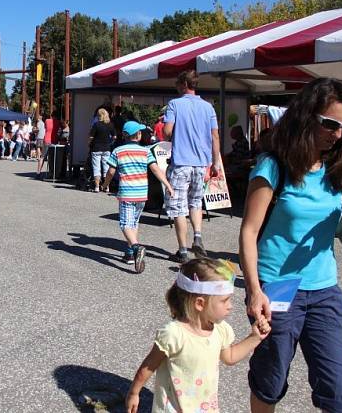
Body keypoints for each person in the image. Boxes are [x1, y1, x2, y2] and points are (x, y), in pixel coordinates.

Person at [239, 78, 342, 412]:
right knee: (270, 381)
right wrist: (255, 291)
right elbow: (248, 231)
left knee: (341, 393)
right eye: (330, 124)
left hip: (325, 290)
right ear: (306, 117)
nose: (337, 134)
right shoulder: (275, 166)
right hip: (279, 289)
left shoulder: (341, 171)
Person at [125, 258, 270, 413]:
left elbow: (230, 357)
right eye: (225, 300)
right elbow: (148, 366)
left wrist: (254, 338)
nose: (231, 306)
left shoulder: (220, 330)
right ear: (200, 303)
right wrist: (134, 392)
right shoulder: (174, 335)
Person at [163, 70, 221, 263]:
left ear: (182, 85)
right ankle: (197, 235)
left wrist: (169, 130)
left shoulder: (174, 104)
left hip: (181, 162)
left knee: (178, 207)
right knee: (196, 202)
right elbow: (215, 136)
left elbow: (167, 131)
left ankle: (182, 251)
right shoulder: (208, 107)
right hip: (201, 164)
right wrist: (215, 163)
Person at [102, 121, 173, 270]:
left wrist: (105, 184)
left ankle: (135, 247)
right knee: (134, 222)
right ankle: (129, 253)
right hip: (141, 193)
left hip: (127, 193)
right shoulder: (146, 151)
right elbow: (155, 170)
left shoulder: (118, 151)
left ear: (124, 135)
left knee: (125, 224)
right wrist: (167, 185)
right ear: (139, 135)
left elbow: (111, 172)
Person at [89, 108, 115, 192]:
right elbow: (114, 136)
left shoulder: (96, 125)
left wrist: (89, 143)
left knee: (96, 168)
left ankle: (97, 187)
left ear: (99, 116)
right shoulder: (110, 125)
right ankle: (106, 187)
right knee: (106, 168)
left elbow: (91, 137)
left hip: (96, 148)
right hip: (106, 148)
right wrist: (110, 142)